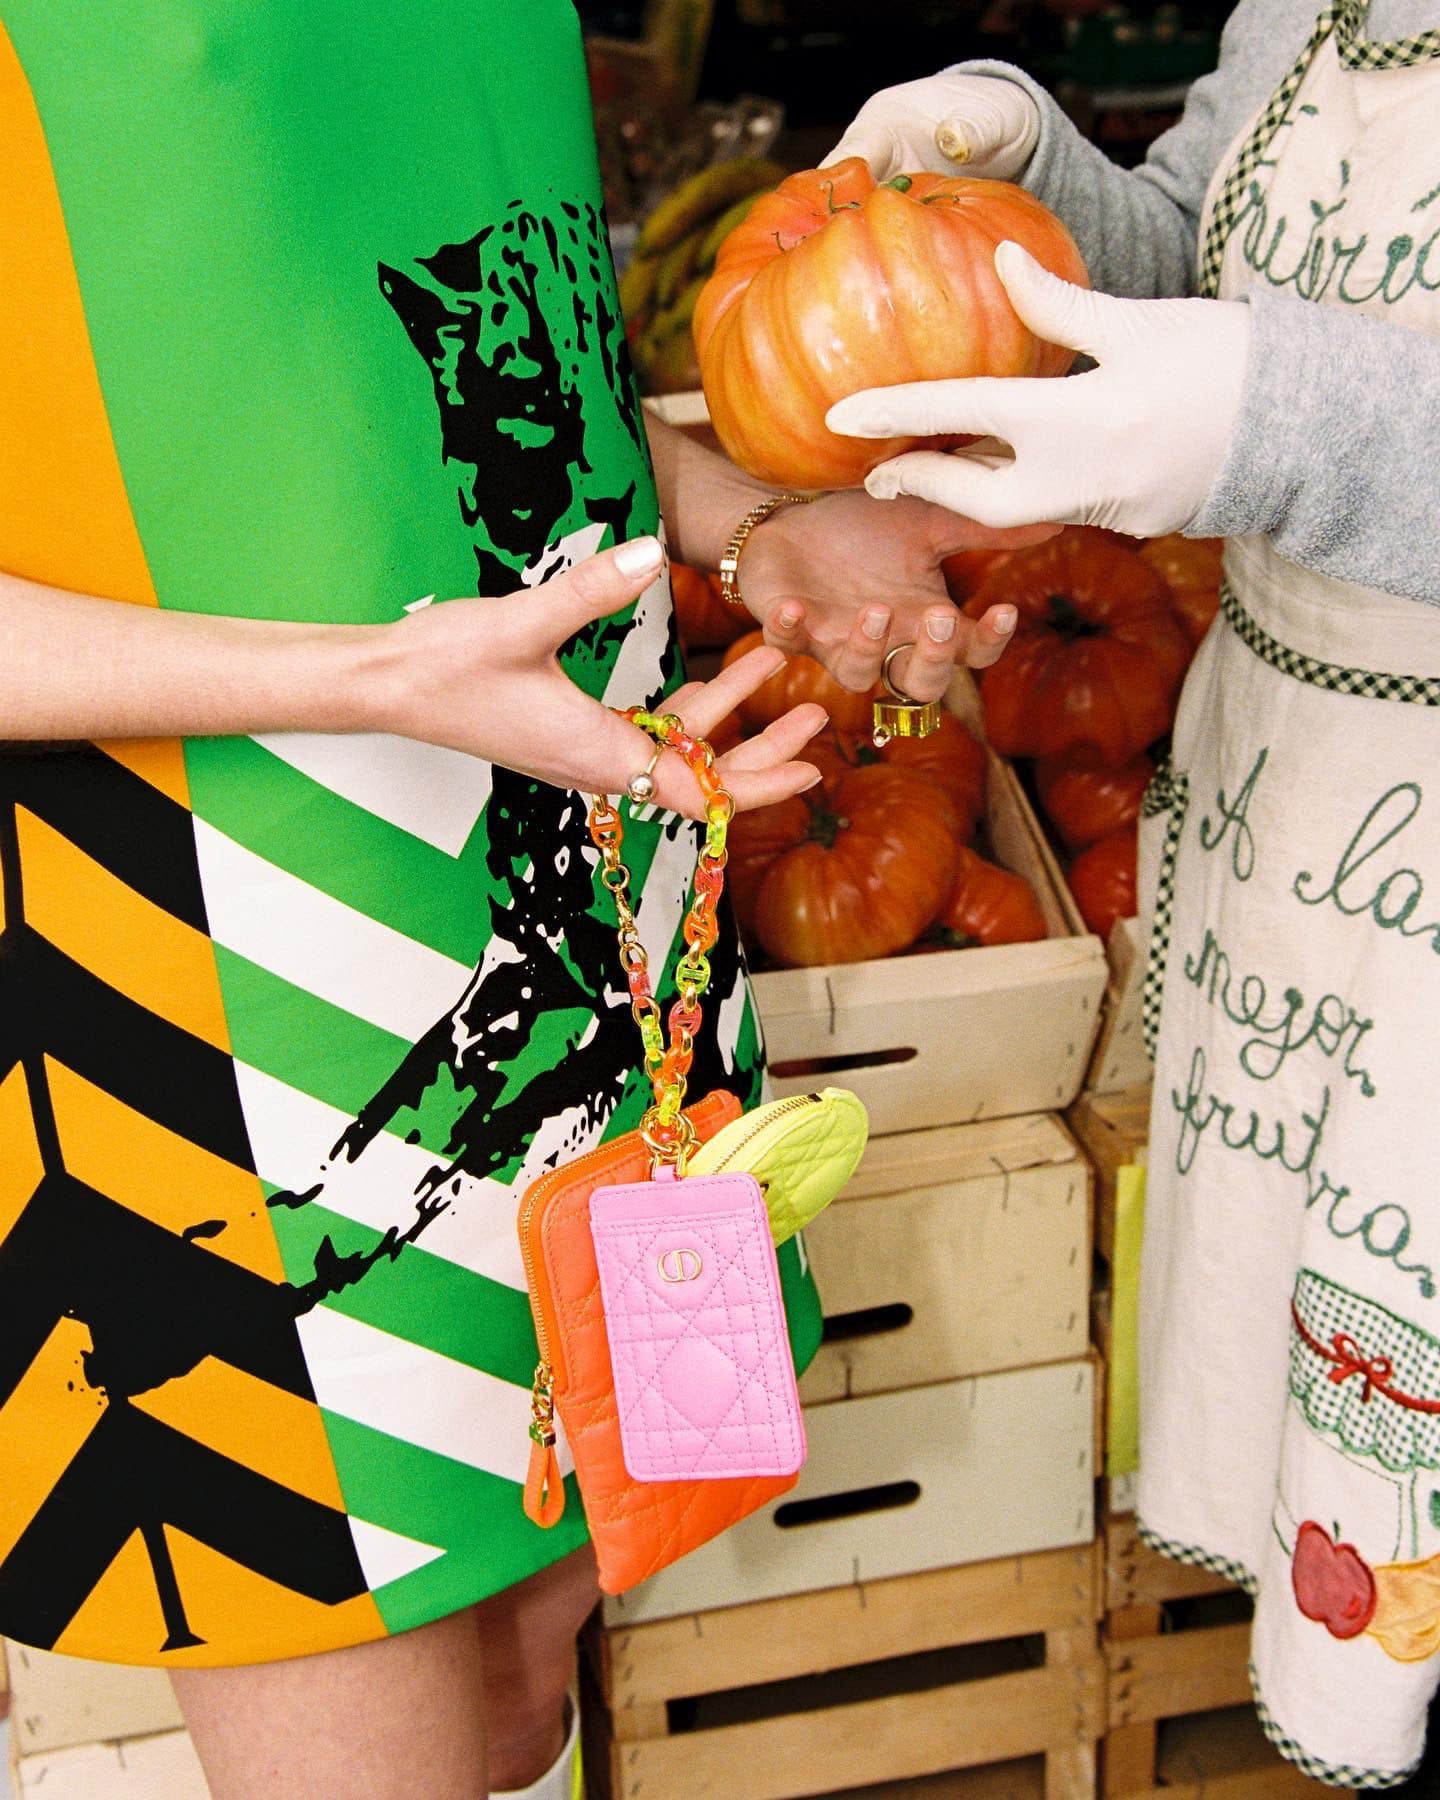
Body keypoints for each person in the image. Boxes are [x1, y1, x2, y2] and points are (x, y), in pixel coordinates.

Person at [0, 7, 1033, 1797]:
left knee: (526, 1673)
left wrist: (741, 521)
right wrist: (374, 682)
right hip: (209, 953)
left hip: (586, 885)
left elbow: (401, 337)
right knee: (373, 1732)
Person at [822, 0, 1440, 1785]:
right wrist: (1047, 185)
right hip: (1304, 831)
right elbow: (1214, 247)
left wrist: (1278, 422)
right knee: (1358, 1419)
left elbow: (1287, 383)